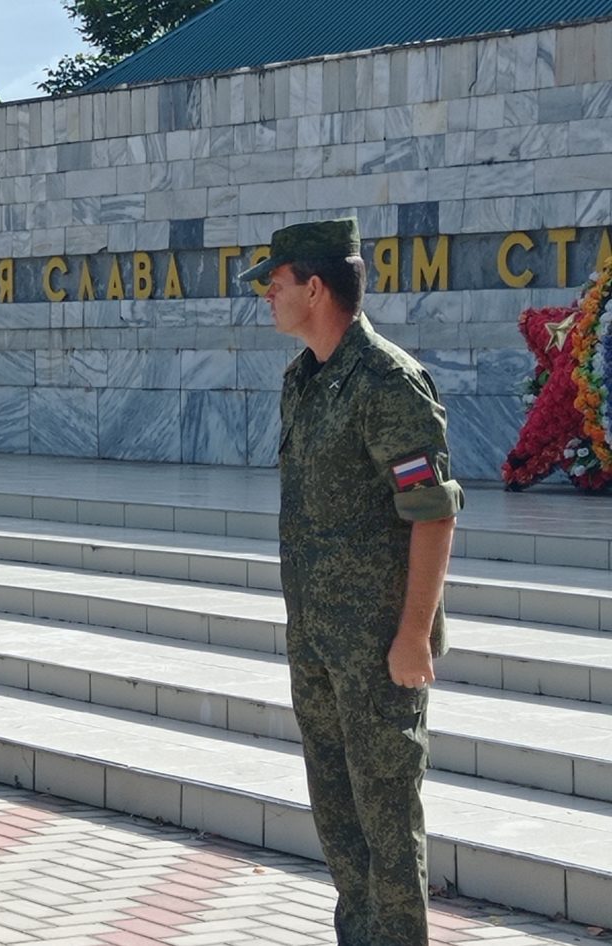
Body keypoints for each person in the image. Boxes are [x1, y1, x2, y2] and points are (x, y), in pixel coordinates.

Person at [242, 218, 460, 946]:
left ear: (315, 285)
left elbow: (431, 513)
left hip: (377, 645)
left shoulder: (387, 382)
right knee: (338, 816)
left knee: (387, 822)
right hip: (318, 636)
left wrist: (411, 635)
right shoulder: (303, 380)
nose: (266, 295)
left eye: (275, 283)